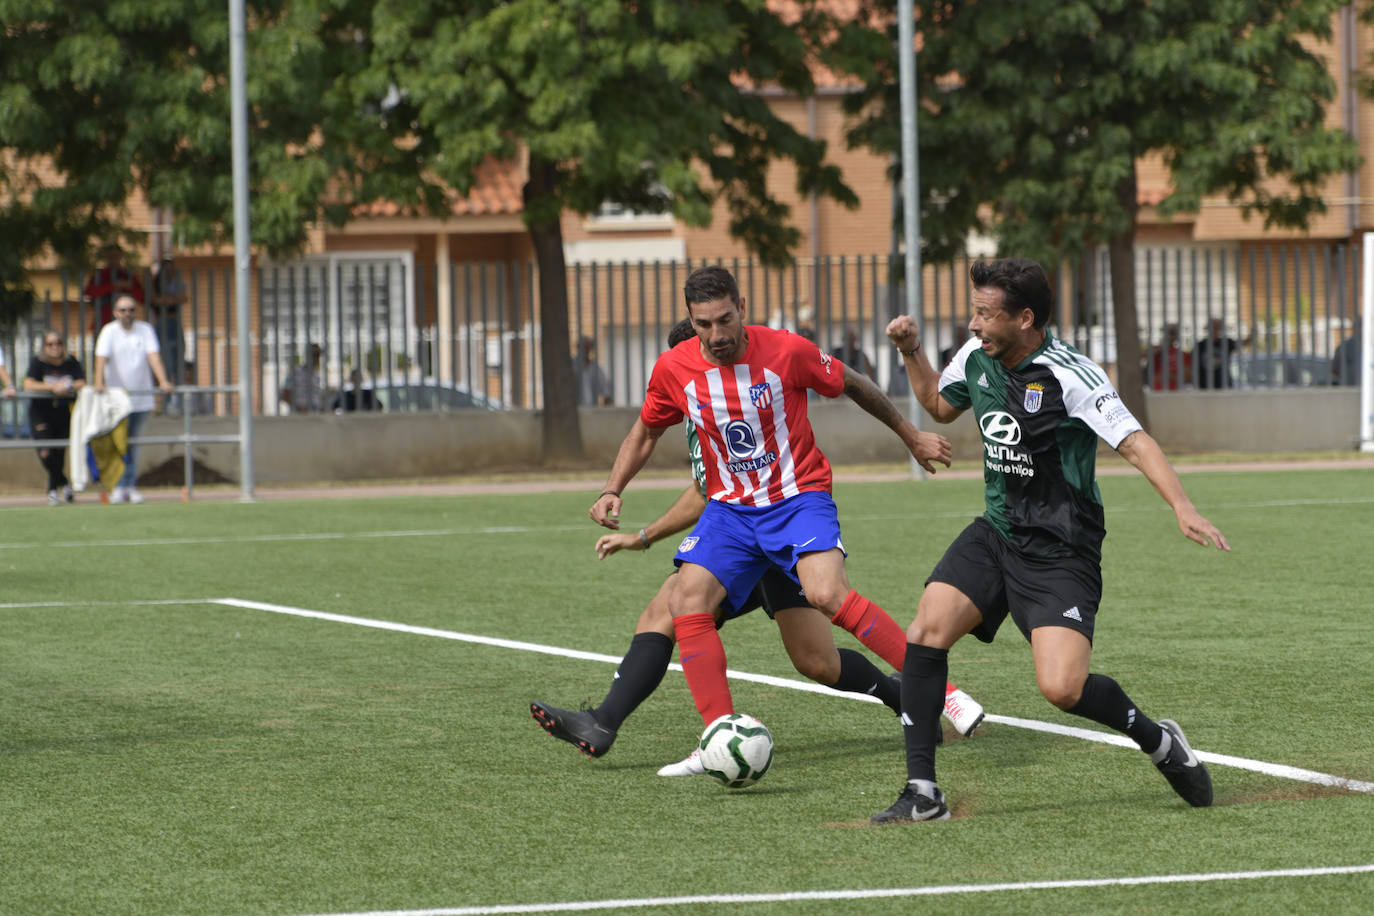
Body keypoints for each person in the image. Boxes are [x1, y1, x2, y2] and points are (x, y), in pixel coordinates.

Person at [871, 258, 1228, 824]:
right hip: (997, 531)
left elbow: (1134, 442)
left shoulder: (1072, 374)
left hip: (1062, 548)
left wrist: (1183, 507)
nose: (973, 325)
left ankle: (1159, 742)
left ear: (1026, 318)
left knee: (1062, 687)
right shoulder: (977, 357)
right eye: (974, 311)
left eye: (985, 315)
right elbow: (940, 404)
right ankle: (923, 792)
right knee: (926, 630)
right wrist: (911, 351)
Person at [533, 321, 984, 766]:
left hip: (786, 524)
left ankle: (916, 693)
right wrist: (632, 515)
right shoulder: (694, 404)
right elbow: (705, 484)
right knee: (673, 606)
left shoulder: (763, 370)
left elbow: (703, 492)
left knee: (817, 660)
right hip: (738, 534)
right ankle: (647, 726)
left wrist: (647, 535)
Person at [93, 294, 176, 504]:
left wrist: (163, 381)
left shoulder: (145, 330)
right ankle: (118, 486)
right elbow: (101, 358)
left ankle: (130, 486)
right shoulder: (109, 331)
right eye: (123, 310)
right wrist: (98, 381)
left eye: (131, 309)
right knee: (119, 444)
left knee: (133, 444)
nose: (127, 313)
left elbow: (153, 357)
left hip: (141, 398)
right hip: (117, 400)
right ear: (115, 313)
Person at [24, 332, 85, 505]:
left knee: (59, 452)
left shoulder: (70, 362)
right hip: (41, 413)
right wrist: (52, 387)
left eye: (58, 343)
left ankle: (52, 491)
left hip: (63, 412)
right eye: (50, 344)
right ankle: (64, 483)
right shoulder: (38, 363)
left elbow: (82, 382)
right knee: (45, 452)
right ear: (45, 347)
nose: (55, 347)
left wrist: (67, 386)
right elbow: (28, 384)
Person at [82, 243, 144, 331]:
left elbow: (142, 296)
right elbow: (89, 292)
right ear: (106, 257)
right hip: (103, 320)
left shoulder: (128, 275)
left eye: (116, 256)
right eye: (110, 257)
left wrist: (128, 287)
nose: (113, 260)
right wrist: (113, 286)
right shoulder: (100, 275)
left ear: (121, 257)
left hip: (126, 323)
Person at [149, 256, 187, 390]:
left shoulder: (177, 282)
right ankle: (167, 395)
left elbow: (183, 298)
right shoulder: (156, 283)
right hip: (162, 322)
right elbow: (155, 300)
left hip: (175, 320)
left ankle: (177, 392)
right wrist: (170, 300)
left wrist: (168, 300)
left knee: (179, 355)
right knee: (166, 359)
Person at [1192, 317, 1240, 390]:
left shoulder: (1226, 343)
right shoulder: (1199, 346)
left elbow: (1243, 343)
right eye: (1212, 327)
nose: (1214, 330)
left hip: (1224, 385)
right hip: (1204, 386)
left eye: (1217, 327)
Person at [280, 343, 325, 413]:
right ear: (307, 355)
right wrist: (299, 409)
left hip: (315, 416)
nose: (316, 358)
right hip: (299, 417)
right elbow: (285, 395)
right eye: (314, 354)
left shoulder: (316, 375)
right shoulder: (295, 372)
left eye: (318, 355)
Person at [1146, 323, 1191, 391]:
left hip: (1176, 393)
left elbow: (1186, 377)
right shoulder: (1155, 352)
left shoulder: (1183, 355)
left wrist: (1167, 376)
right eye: (1165, 331)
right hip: (1156, 392)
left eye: (1172, 333)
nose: (1169, 335)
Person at [574, 336, 613, 406]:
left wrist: (606, 412)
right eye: (583, 347)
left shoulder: (595, 369)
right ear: (578, 348)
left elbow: (607, 392)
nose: (585, 350)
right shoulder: (572, 366)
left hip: (592, 409)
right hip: (575, 409)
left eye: (587, 348)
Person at [1332, 320, 1362, 386]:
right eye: (1360, 326)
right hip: (1349, 388)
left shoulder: (1369, 348)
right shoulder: (1345, 347)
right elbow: (1335, 370)